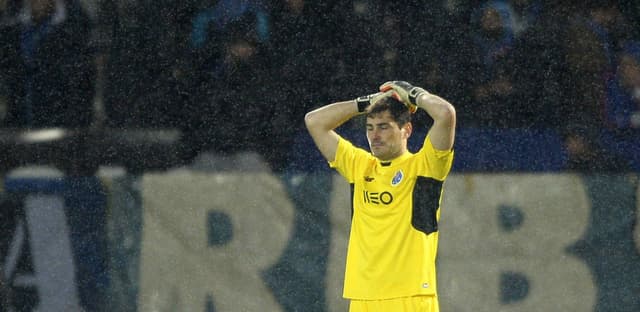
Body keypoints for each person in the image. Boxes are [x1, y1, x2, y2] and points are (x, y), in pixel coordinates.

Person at [304, 81, 456, 311]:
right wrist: (365, 102)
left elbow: (445, 114)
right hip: (363, 296)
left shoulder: (424, 166)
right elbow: (314, 121)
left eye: (384, 127)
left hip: (409, 296)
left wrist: (415, 95)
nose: (375, 136)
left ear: (406, 130)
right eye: (370, 127)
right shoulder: (360, 167)